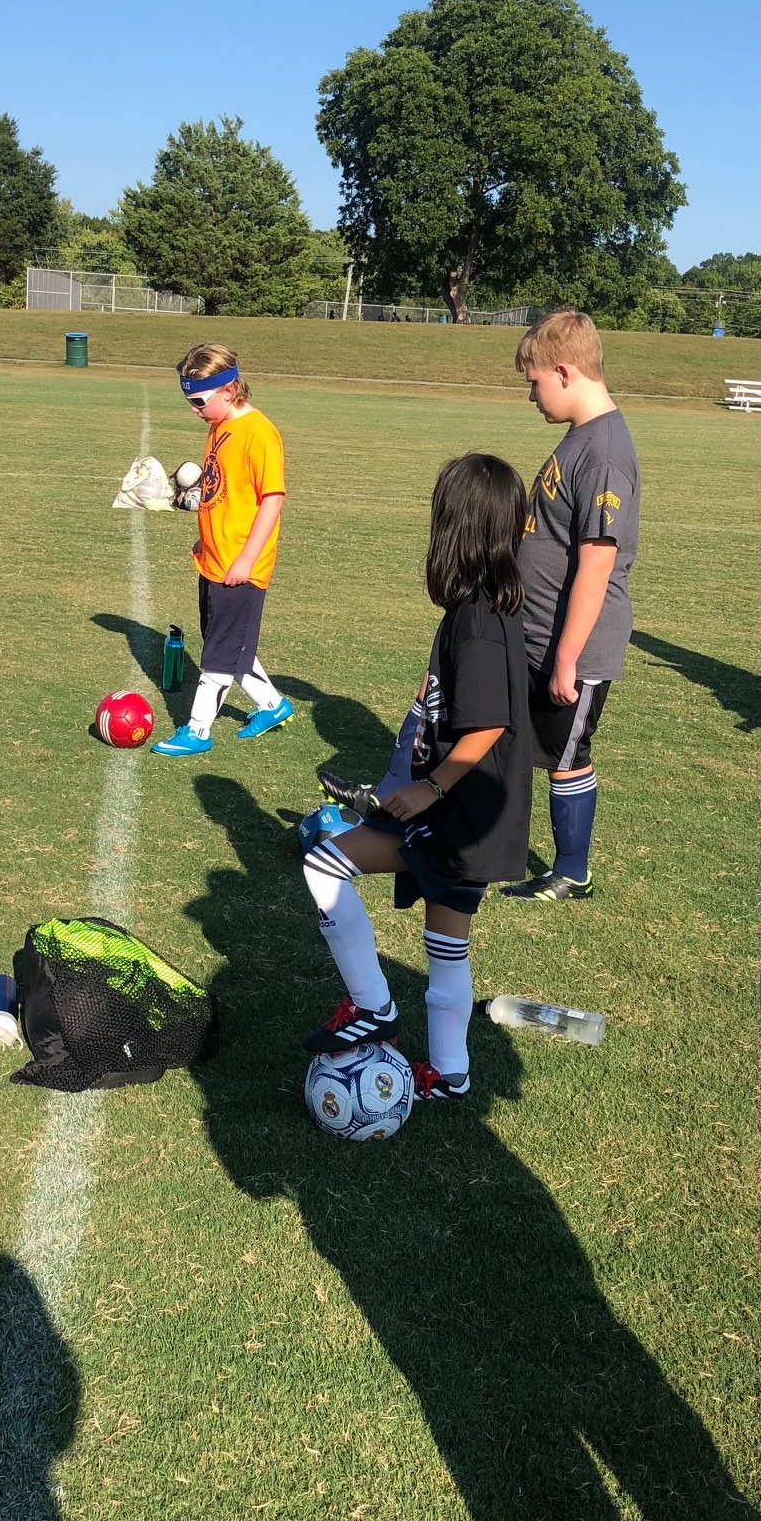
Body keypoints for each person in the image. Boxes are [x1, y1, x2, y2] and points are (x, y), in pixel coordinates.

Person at [300, 453, 532, 1101]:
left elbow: (488, 724)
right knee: (445, 948)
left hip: (457, 812)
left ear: (452, 528)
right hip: (476, 814)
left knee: (325, 865)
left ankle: (373, 1005)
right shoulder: (489, 606)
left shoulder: (477, 622)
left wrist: (429, 787)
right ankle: (451, 1075)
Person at [505, 309, 640, 901]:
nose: (531, 396)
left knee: (567, 754)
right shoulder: (578, 438)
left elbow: (597, 562)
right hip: (536, 630)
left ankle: (571, 872)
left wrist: (567, 657)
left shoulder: (604, 451)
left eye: (533, 382)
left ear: (564, 371)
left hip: (576, 645)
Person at [151, 342, 293, 756]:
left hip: (240, 564)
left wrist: (246, 559)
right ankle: (272, 704)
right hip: (215, 557)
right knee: (230, 644)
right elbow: (222, 489)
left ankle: (197, 731)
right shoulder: (219, 427)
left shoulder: (259, 433)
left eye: (198, 400)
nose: (193, 409)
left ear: (229, 390)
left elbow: (272, 499)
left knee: (216, 654)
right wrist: (201, 520)